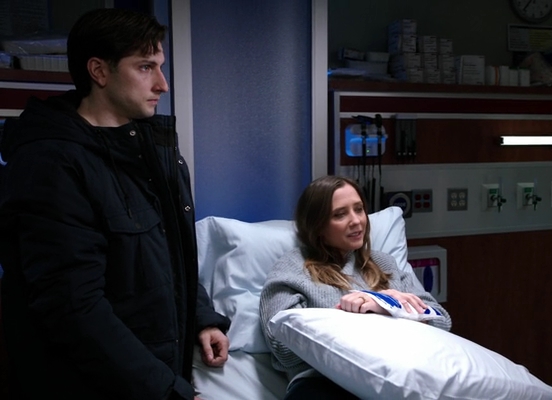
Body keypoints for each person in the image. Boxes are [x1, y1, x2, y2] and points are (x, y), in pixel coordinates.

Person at [0, 8, 230, 399]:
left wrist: (201, 318)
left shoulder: (152, 151)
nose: (162, 84)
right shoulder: (52, 164)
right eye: (145, 67)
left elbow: (170, 254)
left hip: (154, 370)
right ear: (99, 71)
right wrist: (167, 391)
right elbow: (74, 309)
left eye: (160, 66)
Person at [259, 175, 452, 399]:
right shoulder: (293, 269)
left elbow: (441, 321)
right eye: (340, 214)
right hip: (323, 383)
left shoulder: (385, 265)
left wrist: (386, 305)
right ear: (318, 225)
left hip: (393, 377)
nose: (356, 221)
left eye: (359, 209)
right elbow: (283, 348)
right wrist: (355, 315)